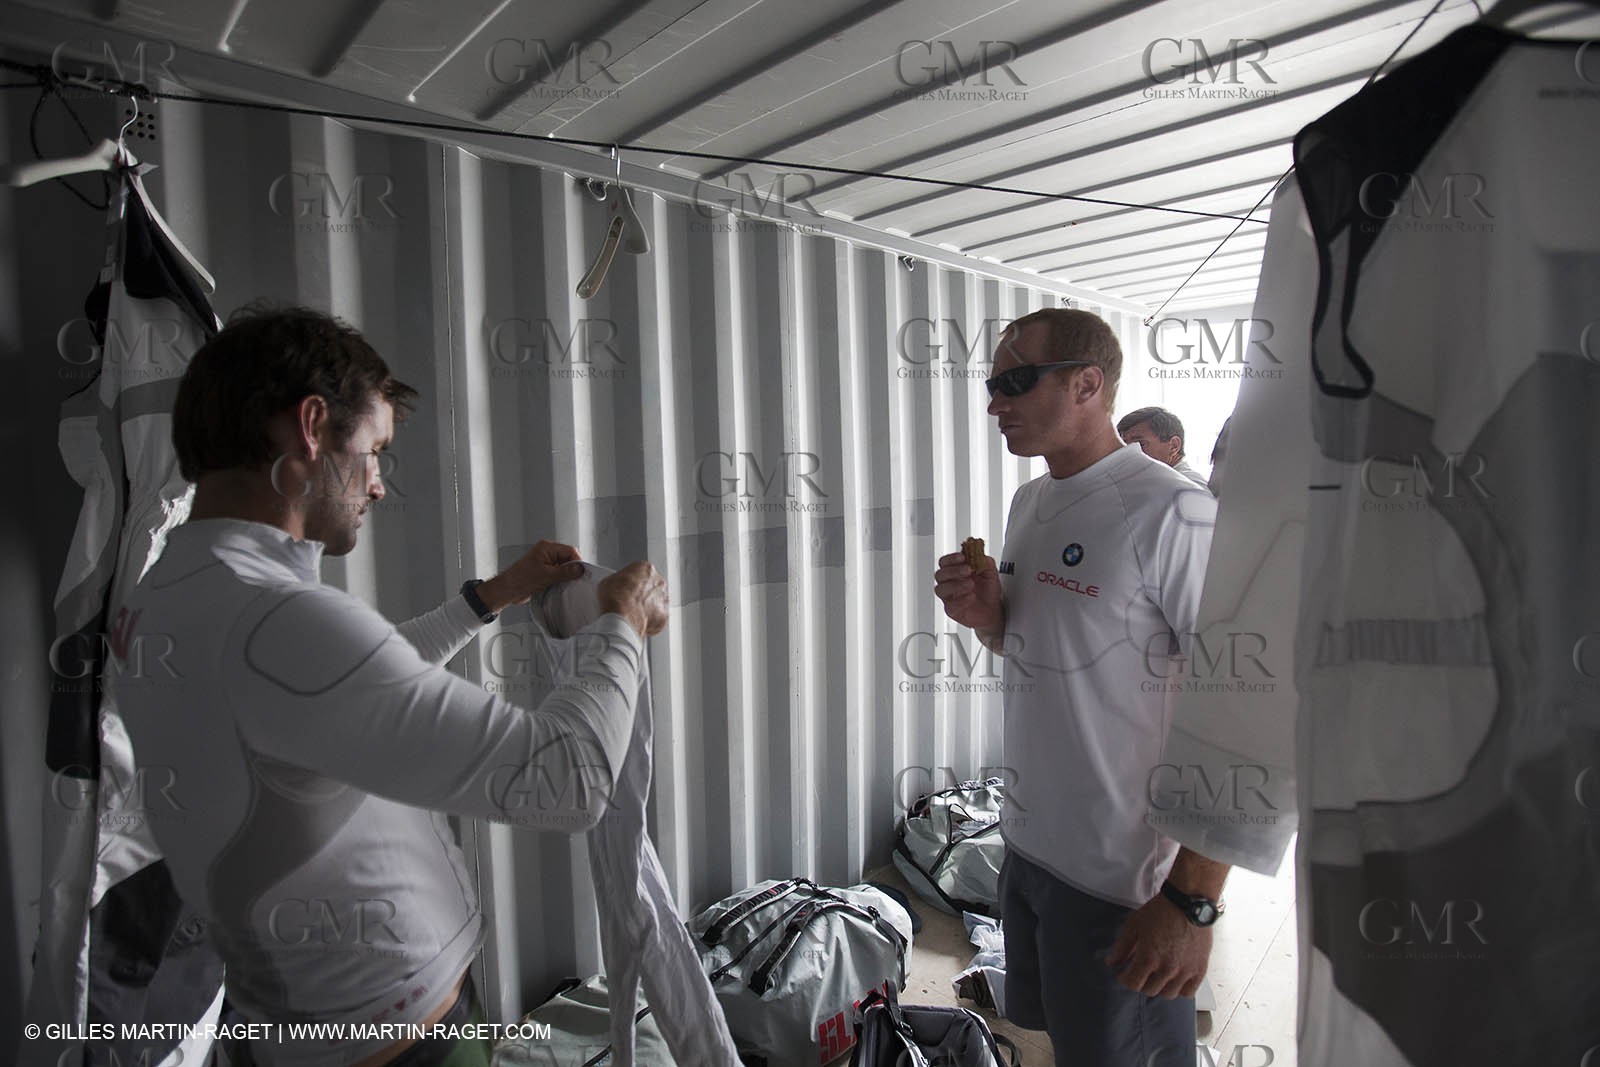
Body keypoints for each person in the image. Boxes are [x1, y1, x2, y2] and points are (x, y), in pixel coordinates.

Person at [111, 306, 667, 1067]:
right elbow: (567, 779)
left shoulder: (173, 591)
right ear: (311, 427)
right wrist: (621, 620)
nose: (376, 483)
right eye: (373, 448)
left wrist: (489, 598)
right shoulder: (280, 620)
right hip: (399, 1047)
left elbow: (332, 705)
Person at [934, 309, 1228, 1066]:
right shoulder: (1031, 503)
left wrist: (1192, 901)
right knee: (1069, 1043)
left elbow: (1247, 709)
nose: (995, 402)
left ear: (1088, 383)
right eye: (992, 384)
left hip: (1123, 880)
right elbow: (1039, 642)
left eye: (1014, 381)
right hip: (1029, 848)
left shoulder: (1174, 511)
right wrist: (988, 614)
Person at [1116, 406, 1211, 490]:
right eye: (1124, 446)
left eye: (1139, 444)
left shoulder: (1188, 490)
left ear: (1174, 446)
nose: (1128, 453)